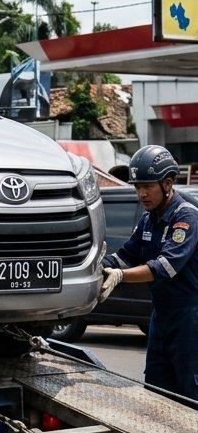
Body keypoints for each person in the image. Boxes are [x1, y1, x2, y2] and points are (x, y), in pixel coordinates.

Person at [99, 144, 198, 405]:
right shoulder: (148, 219)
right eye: (137, 186)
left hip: (190, 318)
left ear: (167, 183)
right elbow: (126, 255)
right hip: (161, 316)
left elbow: (164, 267)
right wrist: (97, 268)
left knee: (190, 389)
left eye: (147, 186)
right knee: (156, 390)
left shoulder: (185, 217)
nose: (141, 193)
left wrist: (120, 276)